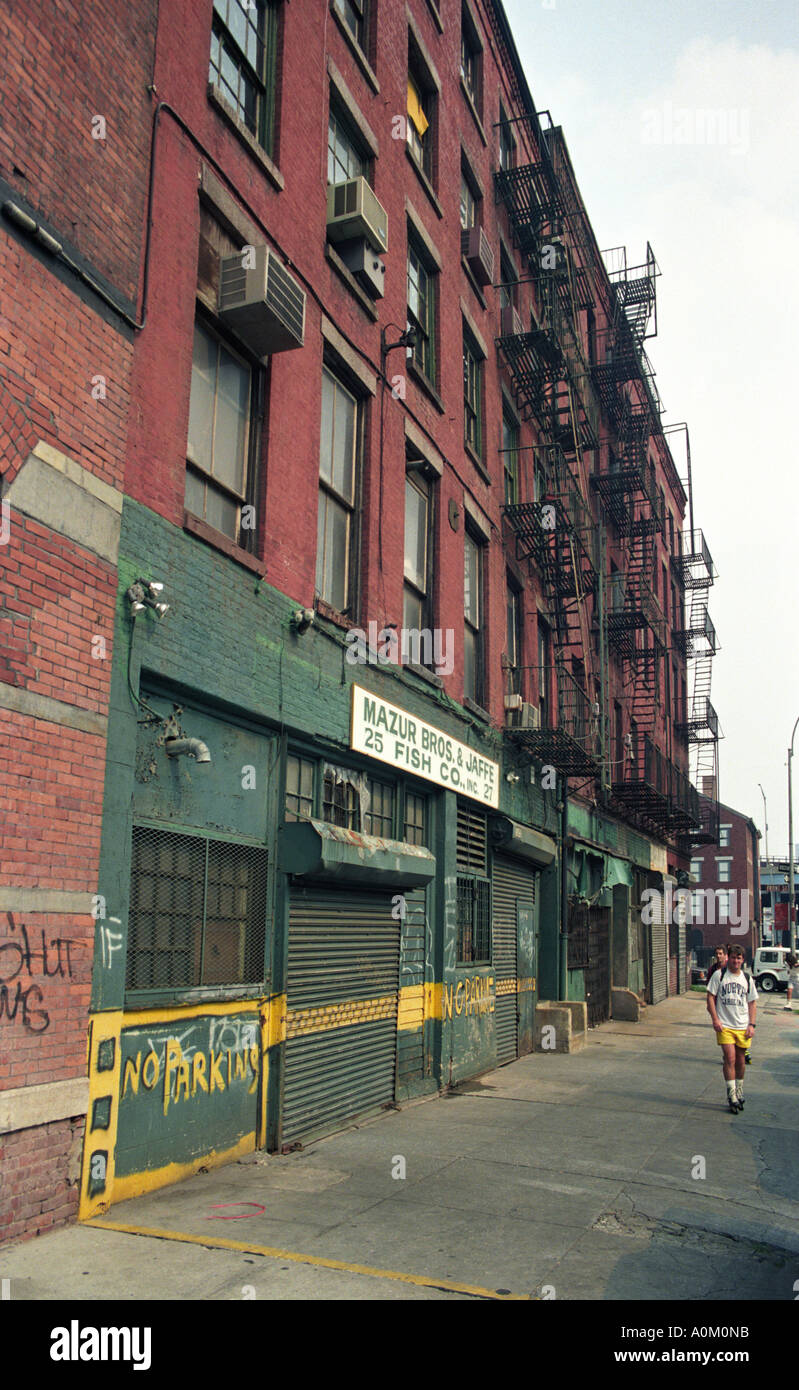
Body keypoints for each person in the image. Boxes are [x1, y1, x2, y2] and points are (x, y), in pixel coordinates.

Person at [706, 943, 757, 1112]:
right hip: (725, 1025)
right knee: (730, 1058)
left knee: (741, 1061)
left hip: (742, 1025)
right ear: (729, 958)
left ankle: (740, 1090)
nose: (736, 961)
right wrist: (715, 1019)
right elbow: (710, 998)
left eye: (739, 958)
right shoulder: (719, 976)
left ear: (743, 960)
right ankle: (732, 1094)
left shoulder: (747, 979)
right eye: (733, 957)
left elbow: (752, 1003)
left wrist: (751, 1024)